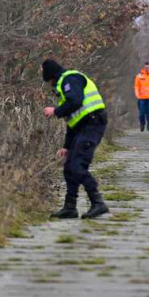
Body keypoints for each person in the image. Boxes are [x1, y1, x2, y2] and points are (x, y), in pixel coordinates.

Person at [42, 59, 109, 219]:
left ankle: (98, 203)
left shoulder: (69, 79)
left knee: (78, 165)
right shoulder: (63, 86)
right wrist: (67, 146)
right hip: (84, 126)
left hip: (93, 124)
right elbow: (73, 121)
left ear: (50, 74)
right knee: (69, 167)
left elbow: (76, 101)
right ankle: (70, 207)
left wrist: (56, 111)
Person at [134, 62, 149, 132]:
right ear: (144, 68)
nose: (147, 69)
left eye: (148, 67)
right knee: (142, 113)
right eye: (146, 67)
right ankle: (142, 123)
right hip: (142, 97)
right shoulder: (139, 76)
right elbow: (136, 86)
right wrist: (137, 95)